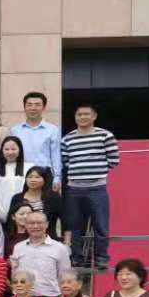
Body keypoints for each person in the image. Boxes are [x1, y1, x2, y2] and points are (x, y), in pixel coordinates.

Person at [61, 104, 119, 271]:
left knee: (100, 225)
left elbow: (114, 160)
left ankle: (101, 258)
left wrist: (96, 171)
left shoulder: (105, 135)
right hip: (74, 189)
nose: (82, 117)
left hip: (97, 188)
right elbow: (65, 161)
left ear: (94, 116)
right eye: (79, 114)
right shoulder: (67, 139)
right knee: (75, 226)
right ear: (75, 117)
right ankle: (77, 258)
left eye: (86, 114)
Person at [11, 211, 72, 297]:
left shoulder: (59, 248)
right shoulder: (18, 247)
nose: (35, 226)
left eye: (39, 223)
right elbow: (15, 273)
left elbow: (65, 275)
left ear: (47, 224)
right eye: (31, 223)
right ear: (26, 225)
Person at [10, 91, 61, 184]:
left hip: (44, 174)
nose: (33, 108)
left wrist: (57, 177)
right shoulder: (15, 130)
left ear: (43, 107)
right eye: (29, 105)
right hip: (21, 174)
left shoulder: (52, 129)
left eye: (37, 105)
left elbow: (56, 155)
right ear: (24, 107)